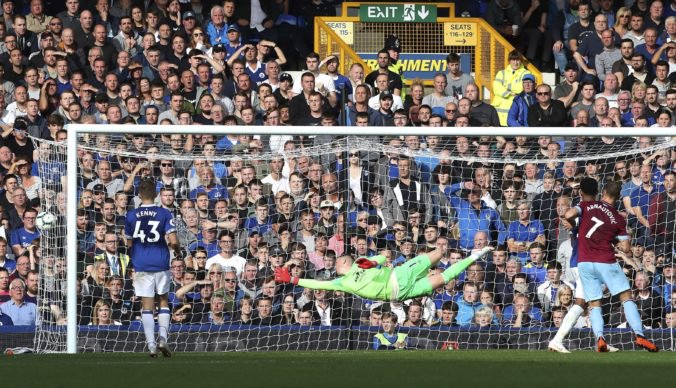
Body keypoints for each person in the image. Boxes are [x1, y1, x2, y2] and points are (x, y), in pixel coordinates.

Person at [562, 178, 658, 352]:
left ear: (604, 193)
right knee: (626, 296)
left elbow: (568, 215)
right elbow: (627, 249)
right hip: (605, 260)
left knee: (594, 303)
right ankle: (640, 335)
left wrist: (575, 225)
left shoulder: (586, 205)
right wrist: (613, 239)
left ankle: (600, 338)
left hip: (584, 262)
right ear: (619, 196)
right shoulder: (618, 218)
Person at [275, 247, 492, 302]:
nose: (334, 265)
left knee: (440, 253)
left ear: (343, 261)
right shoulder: (341, 282)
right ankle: (475, 256)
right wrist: (293, 279)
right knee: (443, 278)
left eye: (337, 261)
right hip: (399, 294)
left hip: (398, 276)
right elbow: (317, 284)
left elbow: (382, 257)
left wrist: (371, 262)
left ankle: (473, 256)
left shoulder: (360, 263)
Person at [124, 179, 181, 357]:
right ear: (156, 194)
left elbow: (128, 241)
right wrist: (177, 251)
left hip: (141, 263)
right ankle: (163, 338)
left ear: (139, 195)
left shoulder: (131, 215)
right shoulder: (164, 213)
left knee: (147, 305)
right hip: (161, 262)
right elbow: (173, 240)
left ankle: (150, 344)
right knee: (163, 300)